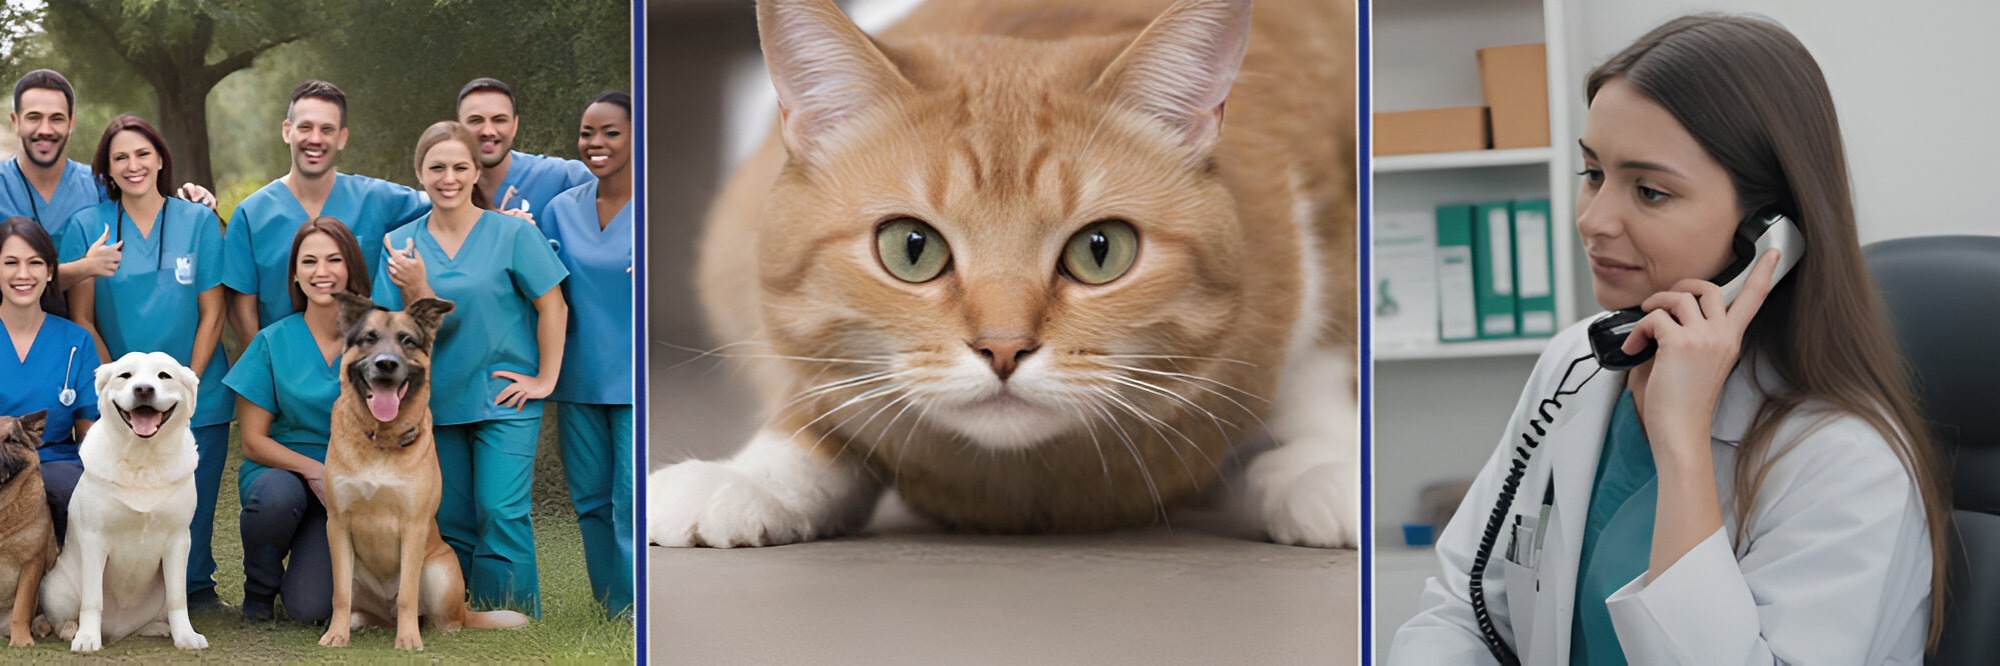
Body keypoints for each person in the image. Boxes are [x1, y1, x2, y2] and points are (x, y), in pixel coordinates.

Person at [1391, 15, 1947, 665]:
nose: (1595, 221)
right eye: (1592, 173)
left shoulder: (1845, 463)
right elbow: (1461, 608)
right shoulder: (1578, 362)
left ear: (1767, 233)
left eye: (1650, 191)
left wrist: (1680, 443)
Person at [375, 120, 568, 617]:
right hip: (434, 404)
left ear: (476, 170)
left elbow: (553, 305)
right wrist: (412, 290)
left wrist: (545, 379)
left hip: (504, 397)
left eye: (460, 166)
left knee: (501, 510)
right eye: (437, 167)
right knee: (452, 517)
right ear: (419, 172)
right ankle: (457, 611)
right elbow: (391, 332)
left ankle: (514, 610)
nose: (449, 177)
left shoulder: (512, 234)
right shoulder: (400, 245)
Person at [56, 115, 235, 610]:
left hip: (198, 388)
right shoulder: (88, 226)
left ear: (160, 158)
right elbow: (83, 319)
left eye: (142, 154)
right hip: (123, 397)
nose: (133, 165)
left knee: (189, 502)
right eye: (120, 158)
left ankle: (195, 588)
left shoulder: (197, 220)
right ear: (107, 170)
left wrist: (186, 384)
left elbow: (213, 311)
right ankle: (127, 595)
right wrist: (117, 386)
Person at [225, 217, 369, 623]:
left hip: (347, 484)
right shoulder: (271, 341)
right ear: (295, 274)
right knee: (274, 497)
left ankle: (308, 578)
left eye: (334, 260)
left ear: (351, 269)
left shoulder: (375, 341)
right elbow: (253, 441)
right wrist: (314, 471)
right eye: (309, 262)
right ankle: (259, 591)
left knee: (310, 609)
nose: (321, 273)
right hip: (279, 471)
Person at [223, 79, 430, 338]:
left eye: (327, 129)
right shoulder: (251, 215)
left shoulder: (378, 199)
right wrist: (267, 369)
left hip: (365, 366)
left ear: (342, 138)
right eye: (305, 127)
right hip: (287, 366)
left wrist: (493, 218)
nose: (315, 139)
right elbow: (242, 309)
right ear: (287, 131)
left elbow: (448, 199)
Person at [541, 90, 633, 618]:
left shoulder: (657, 209)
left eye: (611, 133)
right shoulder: (560, 211)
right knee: (592, 503)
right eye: (587, 133)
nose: (595, 144)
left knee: (629, 502)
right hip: (576, 378)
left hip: (632, 383)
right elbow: (543, 290)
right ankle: (612, 605)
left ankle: (638, 608)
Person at [0, 69, 217, 292]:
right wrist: (85, 267)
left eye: (57, 118)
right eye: (34, 117)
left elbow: (150, 221)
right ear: (15, 121)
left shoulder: (101, 186)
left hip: (88, 323)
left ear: (71, 123)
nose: (45, 129)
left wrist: (190, 204)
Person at [0, 217, 97, 546]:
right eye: (10, 262)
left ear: (51, 271)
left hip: (56, 465)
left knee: (72, 489)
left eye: (35, 263)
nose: (23, 274)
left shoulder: (76, 342)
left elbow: (91, 433)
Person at [455, 77, 592, 218]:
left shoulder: (562, 176)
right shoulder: (443, 187)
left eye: (499, 120)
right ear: (458, 127)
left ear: (515, 125)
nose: (488, 131)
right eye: (476, 120)